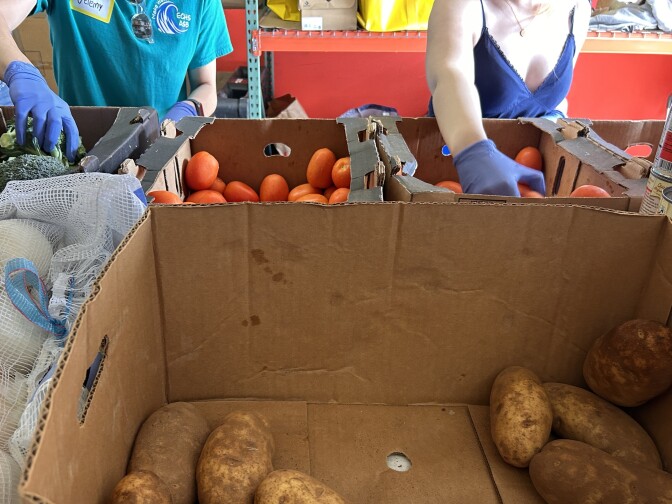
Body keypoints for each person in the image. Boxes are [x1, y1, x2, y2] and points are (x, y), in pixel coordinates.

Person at [0, 0, 232, 161]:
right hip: (81, 150)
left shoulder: (202, 3)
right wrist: (21, 72)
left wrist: (185, 111)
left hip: (161, 151)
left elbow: (206, 85)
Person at [426, 0, 591, 196]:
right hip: (451, 161)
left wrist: (554, 127)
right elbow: (449, 76)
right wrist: (474, 152)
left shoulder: (577, 8)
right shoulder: (463, 4)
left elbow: (556, 100)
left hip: (530, 176)